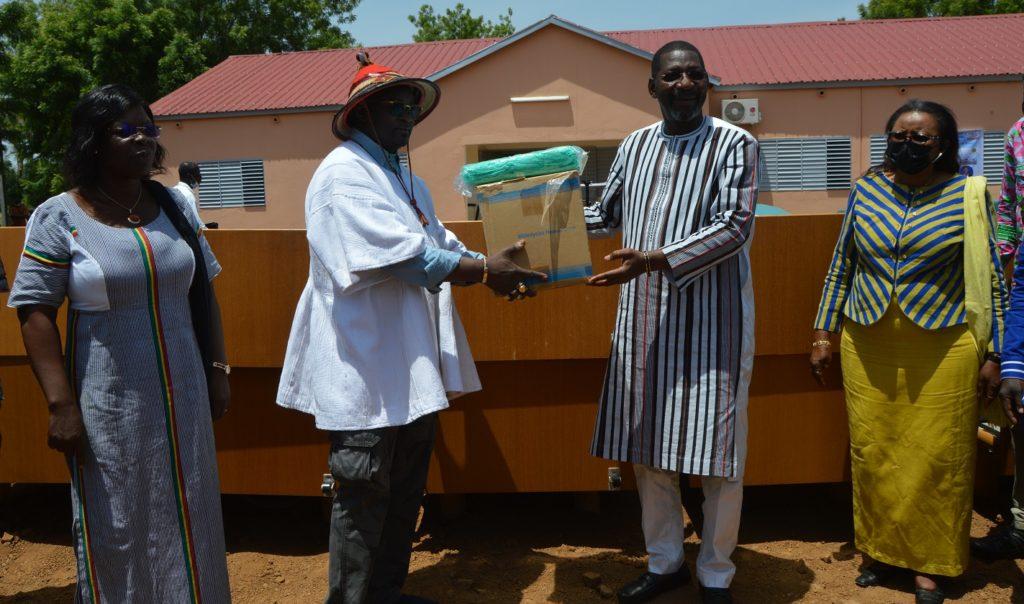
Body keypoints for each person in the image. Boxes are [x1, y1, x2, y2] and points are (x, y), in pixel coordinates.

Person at [275, 53, 546, 604]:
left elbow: (440, 243)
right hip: (364, 365)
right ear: (361, 115)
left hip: (409, 366)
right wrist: (486, 272)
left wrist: (492, 264)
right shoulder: (343, 175)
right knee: (363, 493)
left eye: (410, 108)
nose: (407, 117)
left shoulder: (405, 180)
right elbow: (407, 259)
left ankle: (385, 594)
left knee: (403, 493)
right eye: (394, 108)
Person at [7, 84, 231, 603]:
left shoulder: (174, 206)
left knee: (193, 509)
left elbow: (204, 289)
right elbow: (34, 312)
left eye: (148, 128)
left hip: (186, 395)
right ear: (93, 141)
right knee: (119, 523)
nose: (142, 139)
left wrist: (218, 368)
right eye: (125, 129)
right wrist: (61, 405)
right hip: (108, 402)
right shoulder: (59, 216)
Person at [811, 99, 1005, 604]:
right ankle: (881, 552)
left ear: (943, 145)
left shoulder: (968, 193)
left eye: (920, 138)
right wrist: (823, 333)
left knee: (939, 457)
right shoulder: (866, 190)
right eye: (899, 136)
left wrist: (996, 353)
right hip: (868, 340)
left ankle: (931, 565)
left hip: (944, 343)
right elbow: (842, 265)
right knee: (876, 452)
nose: (907, 145)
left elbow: (991, 277)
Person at [584, 41, 758, 604]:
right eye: (672, 75)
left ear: (707, 83)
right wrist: (535, 211)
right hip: (644, 321)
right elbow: (604, 214)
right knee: (649, 449)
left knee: (719, 456)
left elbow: (734, 226)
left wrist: (655, 259)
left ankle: (716, 572)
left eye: (694, 74)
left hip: (713, 324)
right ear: (652, 86)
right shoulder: (633, 145)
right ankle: (665, 563)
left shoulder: (736, 143)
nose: (684, 84)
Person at [972, 92, 1024, 561]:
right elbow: (1008, 210)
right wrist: (997, 264)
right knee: (1019, 414)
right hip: (1021, 281)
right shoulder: (1018, 135)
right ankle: (1021, 524)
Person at [173, 161, 203, 225]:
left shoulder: (174, 190)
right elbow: (195, 222)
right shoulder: (188, 196)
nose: (200, 177)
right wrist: (206, 229)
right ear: (189, 176)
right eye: (197, 173)